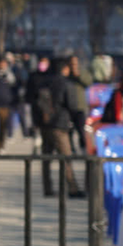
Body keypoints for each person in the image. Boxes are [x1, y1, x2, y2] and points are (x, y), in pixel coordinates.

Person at [29, 59, 84, 198]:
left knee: (46, 158)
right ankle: (72, 188)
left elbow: (35, 102)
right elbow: (72, 105)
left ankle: (47, 188)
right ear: (65, 69)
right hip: (60, 124)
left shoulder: (43, 82)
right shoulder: (66, 84)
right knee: (66, 158)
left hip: (44, 124)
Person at [64, 56, 91, 153]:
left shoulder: (82, 72)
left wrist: (78, 75)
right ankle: (71, 149)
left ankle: (83, 148)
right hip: (68, 107)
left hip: (79, 107)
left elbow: (88, 82)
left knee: (81, 130)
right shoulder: (66, 74)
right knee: (69, 130)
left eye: (75, 63)